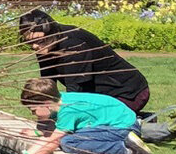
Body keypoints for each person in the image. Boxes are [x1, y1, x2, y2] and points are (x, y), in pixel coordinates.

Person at [4, 77, 150, 154]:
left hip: (123, 126)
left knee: (69, 143)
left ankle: (126, 148)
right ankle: (128, 140)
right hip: (120, 122)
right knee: (70, 138)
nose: (34, 114)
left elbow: (52, 143)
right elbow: (48, 136)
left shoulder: (68, 110)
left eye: (34, 110)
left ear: (46, 104)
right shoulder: (60, 101)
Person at [18, 9, 149, 114]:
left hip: (128, 93)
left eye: (39, 41)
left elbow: (76, 91)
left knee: (89, 129)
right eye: (30, 42)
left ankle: (138, 123)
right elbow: (48, 81)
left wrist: (62, 116)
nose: (35, 46)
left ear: (51, 32)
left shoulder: (74, 46)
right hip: (100, 96)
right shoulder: (46, 44)